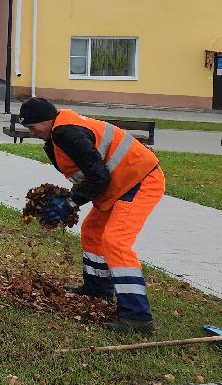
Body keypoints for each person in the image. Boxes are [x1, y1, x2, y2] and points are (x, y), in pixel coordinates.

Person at [16, 97, 163, 335]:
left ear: (47, 120)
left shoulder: (66, 133)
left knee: (116, 242)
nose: (31, 133)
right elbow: (89, 174)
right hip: (118, 186)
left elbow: (98, 176)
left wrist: (71, 203)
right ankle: (98, 289)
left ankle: (138, 317)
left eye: (33, 127)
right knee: (92, 232)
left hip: (139, 181)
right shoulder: (55, 138)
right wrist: (68, 198)